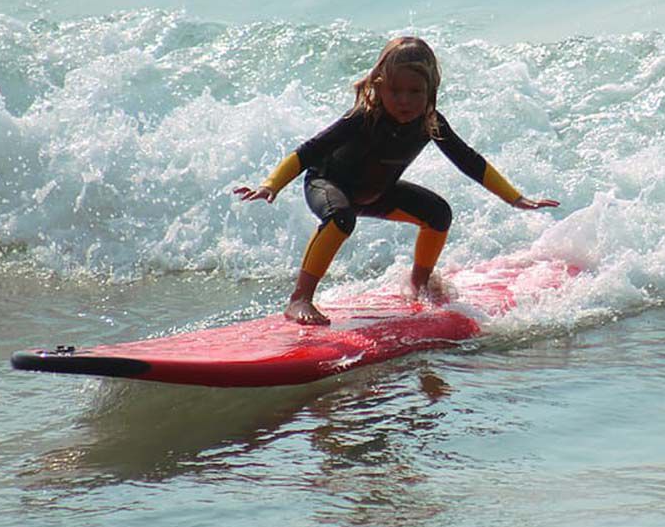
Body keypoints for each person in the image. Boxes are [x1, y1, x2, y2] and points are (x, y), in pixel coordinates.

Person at [234, 36, 559, 325]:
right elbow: (309, 152)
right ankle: (300, 299)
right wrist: (271, 184)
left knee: (438, 214)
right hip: (327, 184)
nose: (404, 100)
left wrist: (515, 198)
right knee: (341, 218)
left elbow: (469, 161)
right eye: (395, 91)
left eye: (415, 92)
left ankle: (419, 283)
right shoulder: (362, 117)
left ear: (431, 91)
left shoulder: (430, 122)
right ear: (378, 86)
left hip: (376, 194)